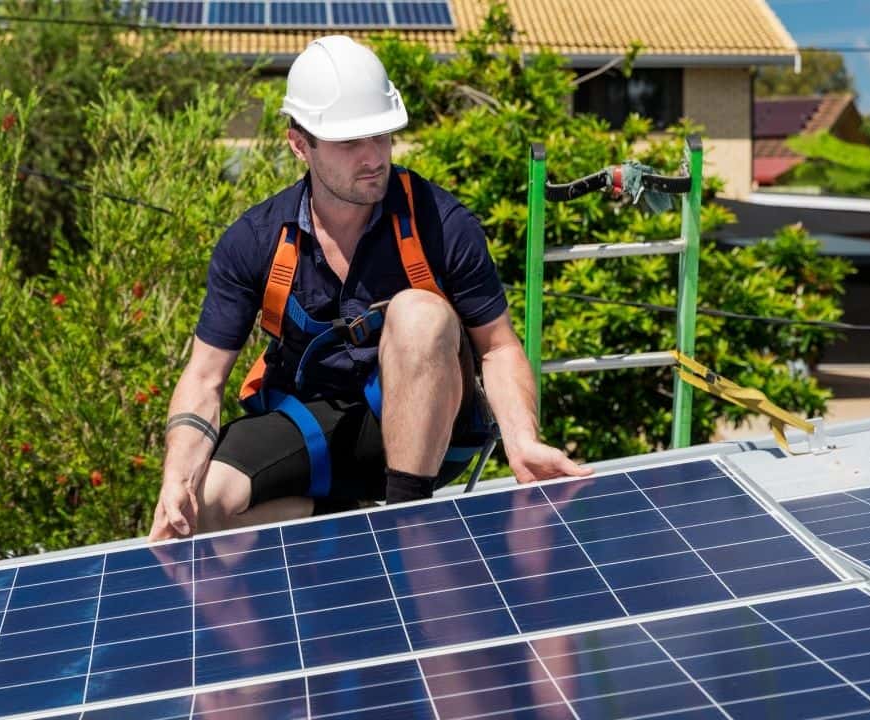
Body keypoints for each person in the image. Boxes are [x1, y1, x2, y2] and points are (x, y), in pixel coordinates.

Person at [149, 35, 588, 542]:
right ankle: (341, 518)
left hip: (432, 427)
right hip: (318, 421)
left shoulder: (440, 223)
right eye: (349, 143)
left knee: (420, 314)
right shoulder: (256, 241)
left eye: (381, 136)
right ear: (300, 144)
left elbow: (498, 346)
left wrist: (522, 441)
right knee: (201, 508)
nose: (373, 157)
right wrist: (176, 479)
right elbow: (204, 378)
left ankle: (407, 525)